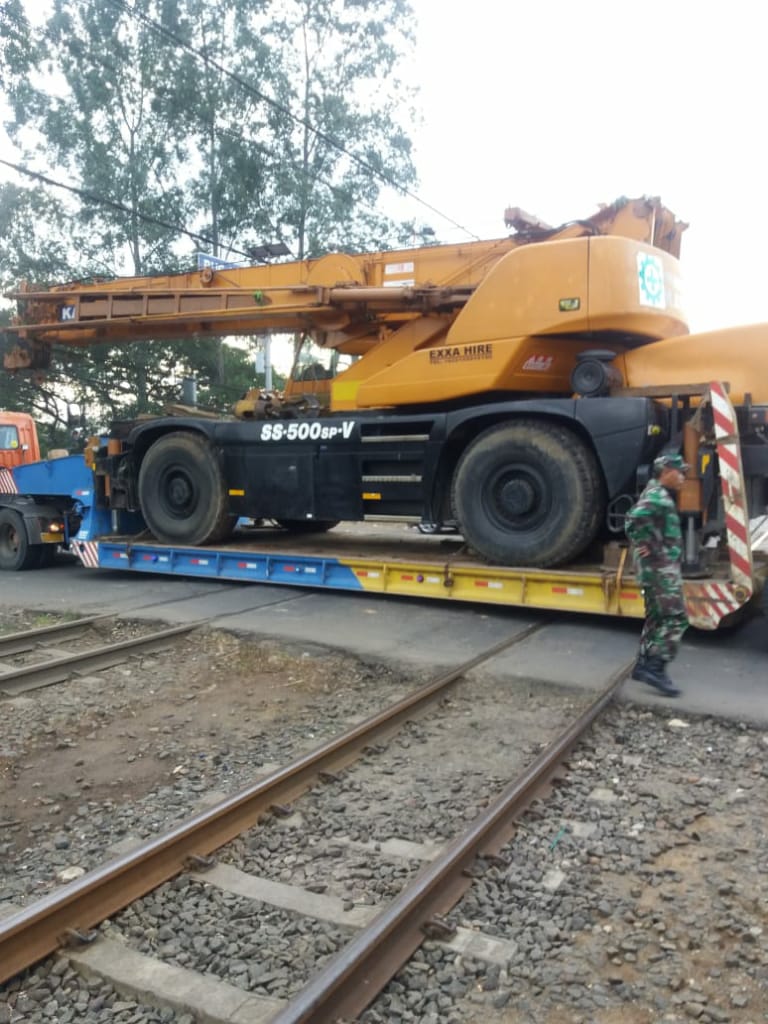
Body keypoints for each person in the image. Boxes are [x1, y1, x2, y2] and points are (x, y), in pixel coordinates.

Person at [625, 452, 690, 697]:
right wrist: (647, 545)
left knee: (655, 618)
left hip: (654, 568)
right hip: (660, 569)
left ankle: (643, 665)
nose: (683, 476)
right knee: (676, 618)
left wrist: (645, 545)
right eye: (680, 471)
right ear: (666, 473)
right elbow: (633, 519)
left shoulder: (655, 493)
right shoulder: (658, 497)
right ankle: (656, 667)